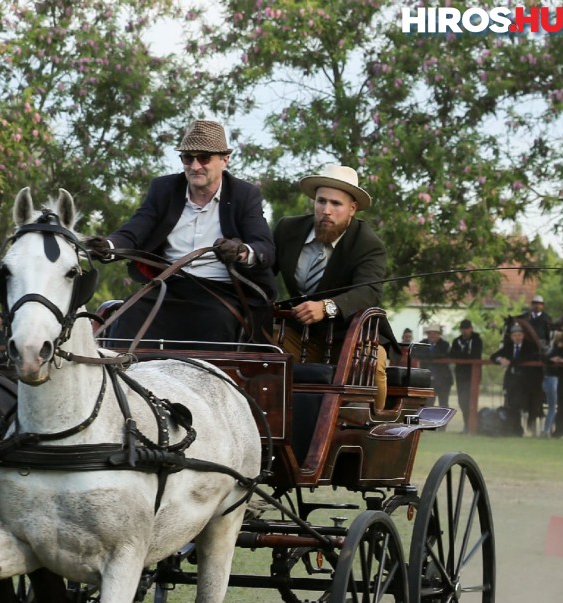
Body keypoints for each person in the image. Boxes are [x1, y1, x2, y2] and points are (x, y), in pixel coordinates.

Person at [84, 119, 277, 348]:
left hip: (220, 293)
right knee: (127, 317)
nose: (195, 166)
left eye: (204, 157)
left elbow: (265, 248)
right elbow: (134, 232)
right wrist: (108, 246)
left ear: (225, 159)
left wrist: (241, 252)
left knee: (218, 323)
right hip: (168, 287)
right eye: (188, 158)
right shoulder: (164, 189)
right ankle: (121, 381)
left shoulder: (245, 195)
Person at [272, 164, 388, 408]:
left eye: (336, 204)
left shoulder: (368, 244)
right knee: (261, 353)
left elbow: (369, 292)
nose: (326, 210)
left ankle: (372, 432)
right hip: (297, 333)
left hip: (351, 337)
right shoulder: (287, 229)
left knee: (373, 366)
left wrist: (327, 307)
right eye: (321, 201)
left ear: (352, 209)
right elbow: (262, 273)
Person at [490, 322, 542, 437]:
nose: (517, 337)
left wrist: (510, 362)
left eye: (519, 335)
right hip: (512, 381)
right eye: (515, 335)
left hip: (526, 381)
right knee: (512, 405)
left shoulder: (529, 346)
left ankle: (525, 429)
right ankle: (517, 430)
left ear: (522, 335)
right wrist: (500, 359)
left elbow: (525, 358)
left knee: (523, 405)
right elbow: (493, 356)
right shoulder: (508, 346)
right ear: (511, 337)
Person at [519, 294, 556, 435]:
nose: (536, 305)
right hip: (527, 354)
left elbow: (549, 337)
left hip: (542, 353)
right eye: (534, 303)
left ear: (543, 305)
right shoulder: (525, 317)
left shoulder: (546, 319)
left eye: (539, 303)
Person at [450, 319, 483, 433]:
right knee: (462, 401)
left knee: (471, 401)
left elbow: (475, 355)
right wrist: (465, 355)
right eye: (463, 329)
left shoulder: (477, 340)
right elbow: (452, 355)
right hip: (460, 375)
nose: (465, 331)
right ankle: (467, 425)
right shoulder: (456, 341)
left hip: (472, 374)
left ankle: (472, 426)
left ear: (471, 328)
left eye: (467, 328)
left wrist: (462, 356)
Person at [418, 324, 453, 408]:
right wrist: (432, 355)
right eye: (430, 333)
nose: (432, 335)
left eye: (435, 333)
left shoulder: (444, 344)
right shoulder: (422, 343)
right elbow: (416, 353)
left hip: (443, 380)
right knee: (427, 404)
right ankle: (426, 421)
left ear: (439, 334)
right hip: (428, 380)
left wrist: (428, 355)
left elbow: (443, 355)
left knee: (443, 404)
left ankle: (443, 421)